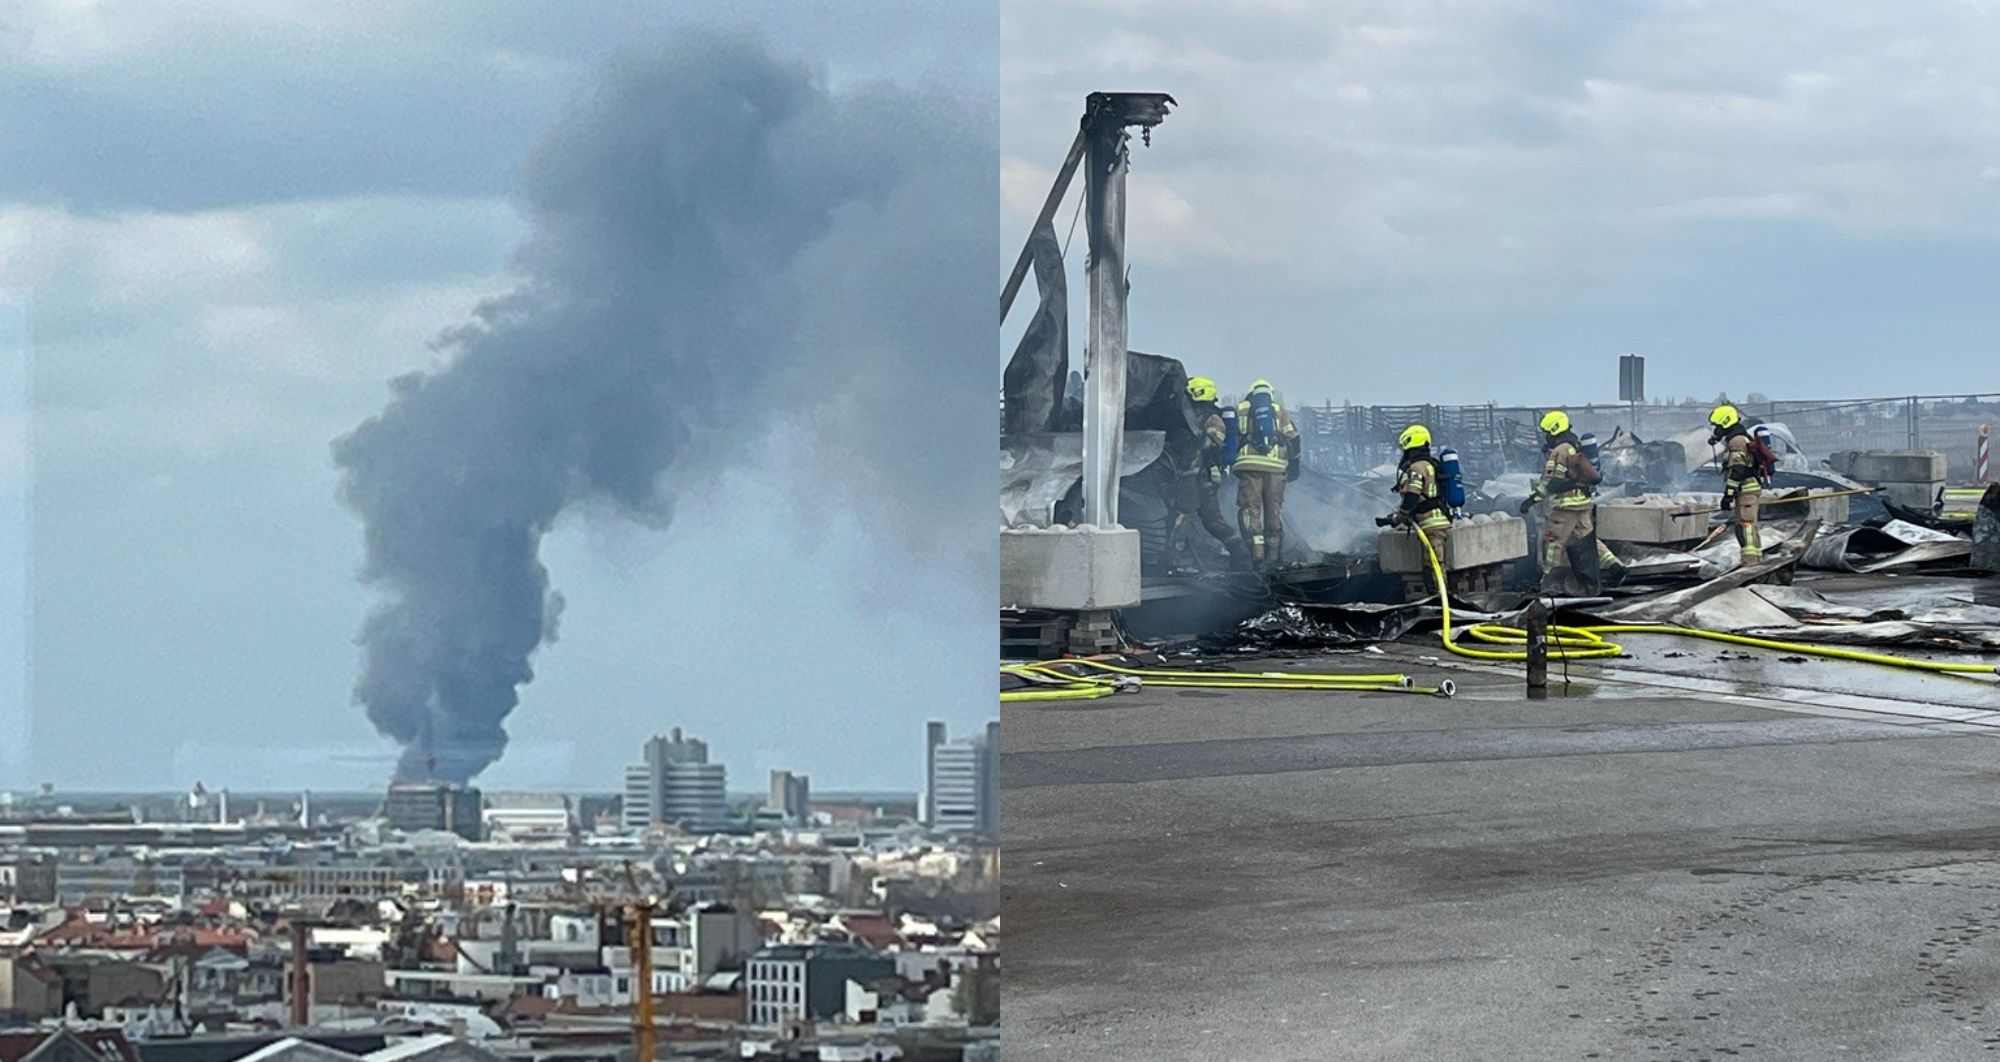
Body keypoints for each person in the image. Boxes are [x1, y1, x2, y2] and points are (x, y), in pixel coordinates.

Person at [1519, 409, 1604, 593]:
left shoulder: (1559, 450)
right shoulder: (1574, 446)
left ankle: (1549, 582)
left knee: (1551, 542)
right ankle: (1614, 568)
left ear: (1554, 430)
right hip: (1582, 503)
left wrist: (1531, 500)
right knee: (1587, 541)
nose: (1545, 437)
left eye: (1547, 433)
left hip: (1565, 506)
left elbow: (1552, 481)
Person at [1166, 376, 1246, 569]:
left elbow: (1212, 446)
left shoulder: (1211, 417)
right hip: (1201, 476)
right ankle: (1242, 556)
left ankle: (1172, 563)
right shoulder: (1192, 416)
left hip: (1196, 476)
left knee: (1181, 515)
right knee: (1212, 520)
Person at [1232, 379, 1300, 570]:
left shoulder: (1241, 409)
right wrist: (1294, 466)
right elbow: (1293, 438)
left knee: (1250, 510)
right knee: (1274, 512)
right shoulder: (1279, 411)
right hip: (1277, 469)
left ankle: (1256, 557)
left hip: (1250, 467)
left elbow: (1231, 436)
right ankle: (1273, 558)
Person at [1380, 424, 1452, 576]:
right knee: (1432, 567)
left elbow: (1412, 495)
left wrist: (1401, 515)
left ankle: (1440, 598)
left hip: (1431, 524)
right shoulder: (1430, 464)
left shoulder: (1417, 468)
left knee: (1435, 570)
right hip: (1436, 522)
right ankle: (1437, 596)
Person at [1709, 403, 1766, 563]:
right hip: (1747, 491)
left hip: (1746, 491)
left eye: (1717, 426)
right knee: (1749, 526)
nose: (1716, 430)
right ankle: (1755, 560)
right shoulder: (1737, 438)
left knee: (1745, 526)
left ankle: (1749, 562)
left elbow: (1738, 471)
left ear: (1726, 423)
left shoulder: (1737, 441)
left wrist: (1728, 495)